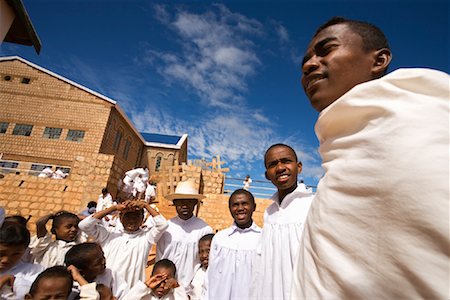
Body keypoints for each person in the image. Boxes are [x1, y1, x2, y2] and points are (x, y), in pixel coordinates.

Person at [292, 17, 449, 299]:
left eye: (326, 50)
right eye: (306, 60)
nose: (309, 65)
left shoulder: (431, 120)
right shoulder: (337, 163)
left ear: (379, 60)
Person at [251, 143, 314, 299]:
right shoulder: (270, 212)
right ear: (267, 175)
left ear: (299, 167)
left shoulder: (314, 205)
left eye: (286, 161)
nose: (280, 168)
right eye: (273, 164)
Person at [79, 200, 168, 287]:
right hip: (106, 289)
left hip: (131, 290)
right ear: (120, 218)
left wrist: (146, 205)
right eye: (128, 216)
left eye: (136, 216)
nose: (132, 220)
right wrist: (113, 208)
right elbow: (84, 225)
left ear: (142, 219)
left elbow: (163, 225)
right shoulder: (109, 234)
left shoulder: (146, 237)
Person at [156, 181, 213, 291]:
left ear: (195, 203)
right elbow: (160, 256)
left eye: (189, 201)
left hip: (190, 290)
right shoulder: (167, 227)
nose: (185, 205)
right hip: (164, 287)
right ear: (175, 203)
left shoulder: (204, 229)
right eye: (180, 201)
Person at [207, 189, 261, 300]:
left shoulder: (263, 239)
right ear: (230, 209)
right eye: (235, 205)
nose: (240, 208)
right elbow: (210, 276)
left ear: (254, 207)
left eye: (245, 204)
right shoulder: (220, 239)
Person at [65, 242, 129, 299]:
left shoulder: (109, 274)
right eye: (98, 262)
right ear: (82, 272)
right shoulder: (73, 288)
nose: (103, 261)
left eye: (103, 256)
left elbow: (125, 295)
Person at [0, 223, 44, 299]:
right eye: (1, 253)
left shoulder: (35, 272)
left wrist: (18, 283)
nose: (6, 260)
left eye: (16, 254)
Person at [123, 259, 188, 300]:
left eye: (166, 281)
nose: (162, 285)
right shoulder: (143, 296)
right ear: (151, 278)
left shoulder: (174, 297)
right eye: (158, 280)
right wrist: (145, 286)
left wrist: (177, 288)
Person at [188, 233, 214, 300]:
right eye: (201, 252)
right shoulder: (197, 273)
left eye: (208, 251)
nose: (204, 255)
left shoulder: (223, 274)